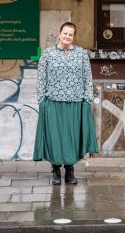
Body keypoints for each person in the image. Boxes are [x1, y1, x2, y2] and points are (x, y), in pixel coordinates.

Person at [33, 22, 99, 185]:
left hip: (75, 102)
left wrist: (87, 98)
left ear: (73, 36)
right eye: (65, 33)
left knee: (72, 137)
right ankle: (55, 170)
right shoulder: (48, 53)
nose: (67, 36)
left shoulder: (81, 54)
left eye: (71, 34)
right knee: (55, 137)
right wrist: (42, 100)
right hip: (53, 102)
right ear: (59, 33)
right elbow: (41, 78)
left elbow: (87, 77)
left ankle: (70, 170)